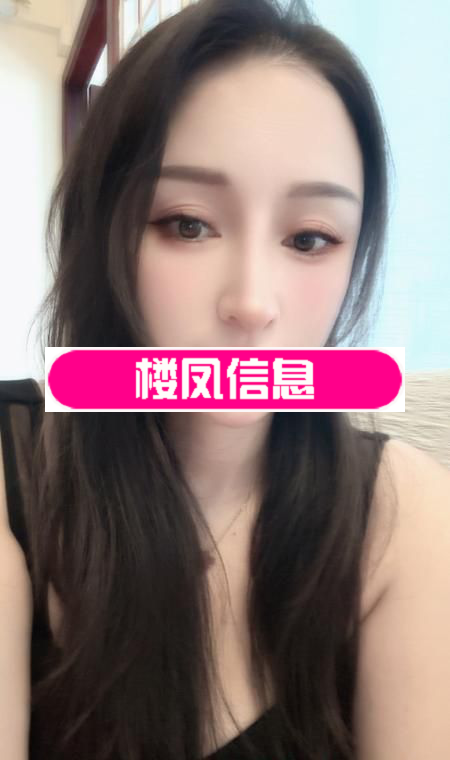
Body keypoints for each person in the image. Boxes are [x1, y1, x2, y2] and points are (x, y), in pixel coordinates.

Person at [1, 1, 449, 759]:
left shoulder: (407, 513)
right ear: (104, 231)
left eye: (310, 238)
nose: (251, 303)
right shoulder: (13, 472)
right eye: (187, 223)